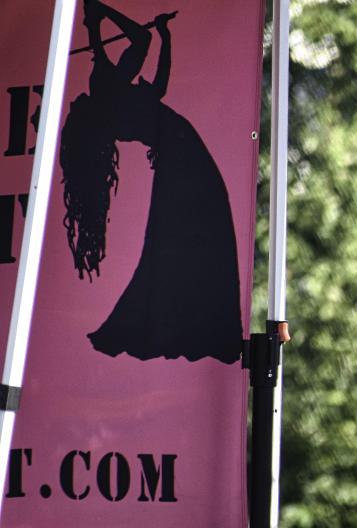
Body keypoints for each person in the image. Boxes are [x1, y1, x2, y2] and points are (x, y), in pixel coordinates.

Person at [60, 0, 243, 363]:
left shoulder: (108, 94)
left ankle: (189, 324)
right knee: (180, 238)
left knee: (183, 237)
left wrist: (163, 35)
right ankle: (181, 325)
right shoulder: (109, 95)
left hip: (183, 155)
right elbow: (138, 41)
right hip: (182, 157)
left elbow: (156, 79)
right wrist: (100, 17)